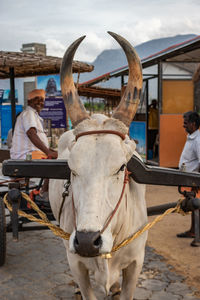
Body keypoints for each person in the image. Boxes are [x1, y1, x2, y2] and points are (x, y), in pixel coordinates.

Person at [10, 89, 57, 196]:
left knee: (58, 158)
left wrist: (51, 151)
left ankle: (46, 192)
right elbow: (31, 133)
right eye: (36, 99)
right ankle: (44, 193)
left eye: (42, 100)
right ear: (29, 102)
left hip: (32, 154)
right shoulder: (29, 113)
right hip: (26, 156)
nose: (40, 102)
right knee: (55, 165)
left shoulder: (34, 115)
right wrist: (48, 152)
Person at [177, 111, 200, 246]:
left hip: (195, 179)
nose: (183, 125)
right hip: (189, 179)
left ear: (193, 124)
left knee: (198, 205)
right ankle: (193, 231)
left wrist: (197, 180)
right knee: (193, 204)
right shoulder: (191, 137)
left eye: (185, 123)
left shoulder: (198, 139)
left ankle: (198, 236)